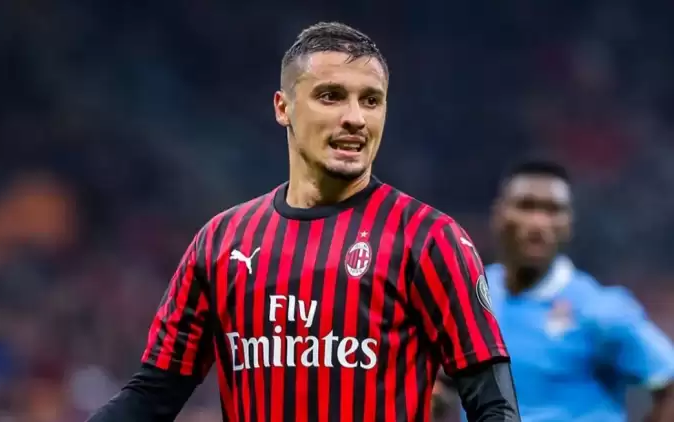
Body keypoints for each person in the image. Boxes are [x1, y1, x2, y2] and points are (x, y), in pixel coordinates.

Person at [87, 21, 520, 422]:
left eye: (371, 100)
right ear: (283, 107)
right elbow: (152, 396)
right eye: (331, 96)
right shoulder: (220, 242)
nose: (355, 118)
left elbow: (494, 405)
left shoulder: (429, 239)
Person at [436, 158, 674, 421]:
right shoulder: (470, 297)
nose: (538, 223)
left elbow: (670, 383)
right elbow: (443, 380)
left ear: (569, 224)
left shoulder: (601, 310)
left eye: (553, 210)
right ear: (499, 215)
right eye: (526, 206)